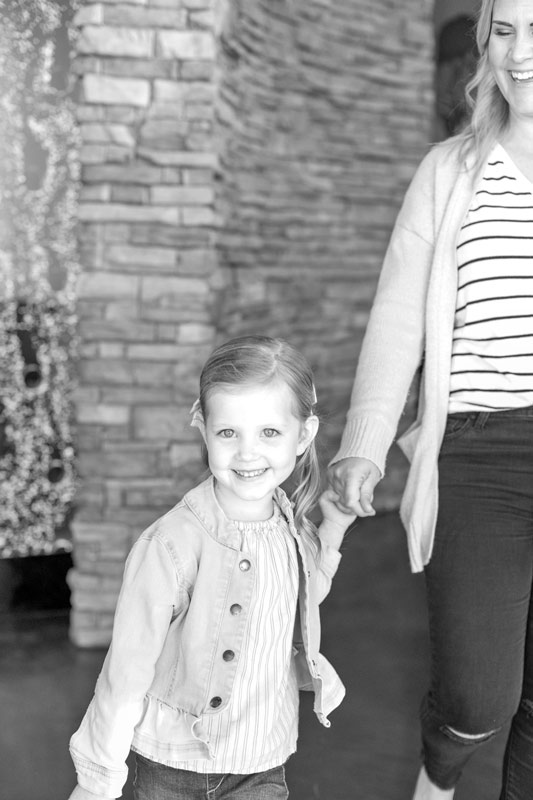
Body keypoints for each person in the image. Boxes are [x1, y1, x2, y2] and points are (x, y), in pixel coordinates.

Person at [328, 1, 533, 798]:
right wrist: (363, 445)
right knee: (477, 695)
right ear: (486, 45)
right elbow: (396, 316)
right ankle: (438, 779)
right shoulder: (449, 169)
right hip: (476, 455)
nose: (521, 52)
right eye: (506, 30)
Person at [68, 335, 355, 800]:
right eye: (228, 433)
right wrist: (97, 778)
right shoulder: (173, 542)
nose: (247, 453)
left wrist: (335, 528)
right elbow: (128, 668)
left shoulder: (291, 527)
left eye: (269, 432)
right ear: (203, 427)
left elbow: (303, 600)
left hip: (263, 761)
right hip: (171, 765)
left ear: (303, 435)